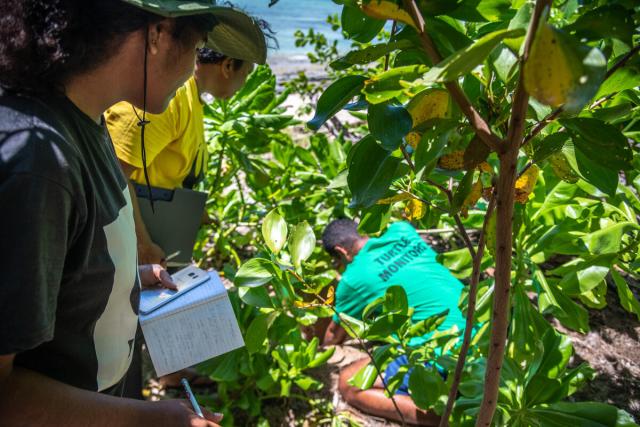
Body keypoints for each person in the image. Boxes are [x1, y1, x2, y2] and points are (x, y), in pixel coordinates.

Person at [0, 1, 260, 425]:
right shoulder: (39, 165)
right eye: (196, 47)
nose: (196, 66)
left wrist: (125, 275)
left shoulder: (89, 120)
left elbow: (59, 270)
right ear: (158, 34)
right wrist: (151, 420)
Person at [105, 27, 268, 265]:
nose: (244, 83)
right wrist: (142, 246)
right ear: (228, 65)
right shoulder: (170, 97)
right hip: (126, 247)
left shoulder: (192, 99)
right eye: (247, 73)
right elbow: (111, 172)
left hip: (155, 235)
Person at [321, 219, 467, 426]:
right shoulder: (402, 230)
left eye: (338, 262)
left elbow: (333, 337)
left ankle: (450, 418)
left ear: (341, 252)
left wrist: (321, 348)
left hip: (447, 352)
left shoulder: (351, 280)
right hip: (481, 325)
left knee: (349, 383)